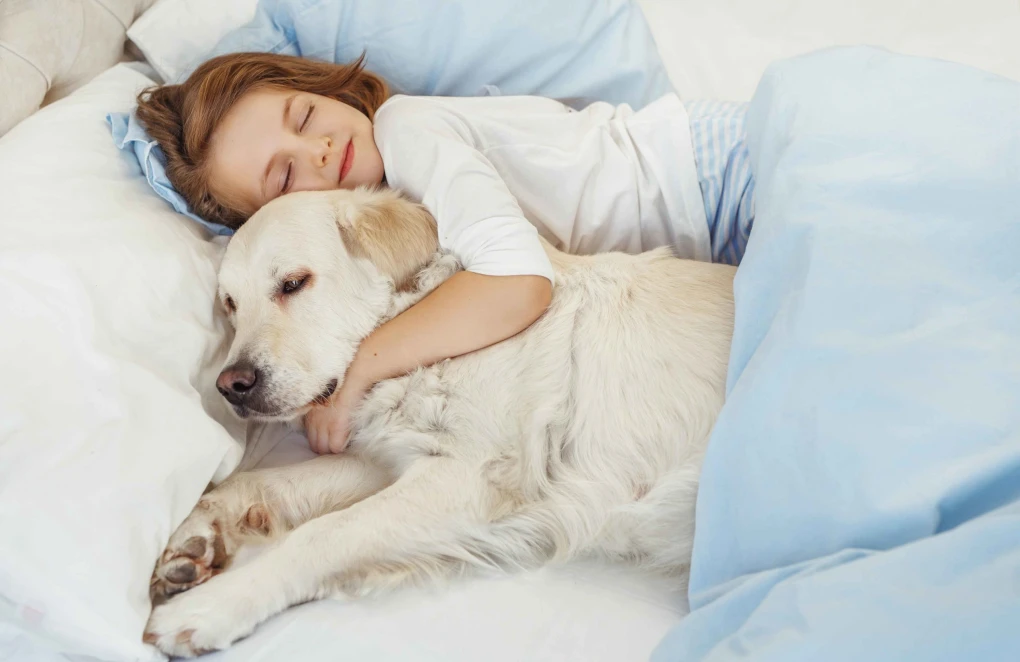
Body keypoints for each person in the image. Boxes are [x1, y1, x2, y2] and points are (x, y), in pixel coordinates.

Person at [135, 52, 754, 455]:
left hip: (730, 174)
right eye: (286, 177)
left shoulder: (407, 129)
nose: (319, 149)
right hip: (723, 229)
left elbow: (519, 284)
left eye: (304, 115)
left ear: (326, 87)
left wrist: (358, 374)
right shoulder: (396, 204)